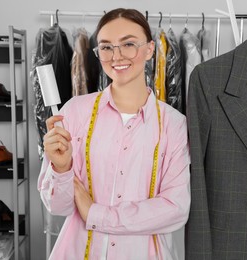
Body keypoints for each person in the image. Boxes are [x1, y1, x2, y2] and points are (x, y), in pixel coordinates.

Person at [37, 8, 190, 260]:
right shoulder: (74, 112)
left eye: (128, 44)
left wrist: (96, 213)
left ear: (150, 49)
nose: (116, 56)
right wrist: (61, 169)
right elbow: (58, 207)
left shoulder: (174, 125)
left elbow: (175, 209)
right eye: (106, 47)